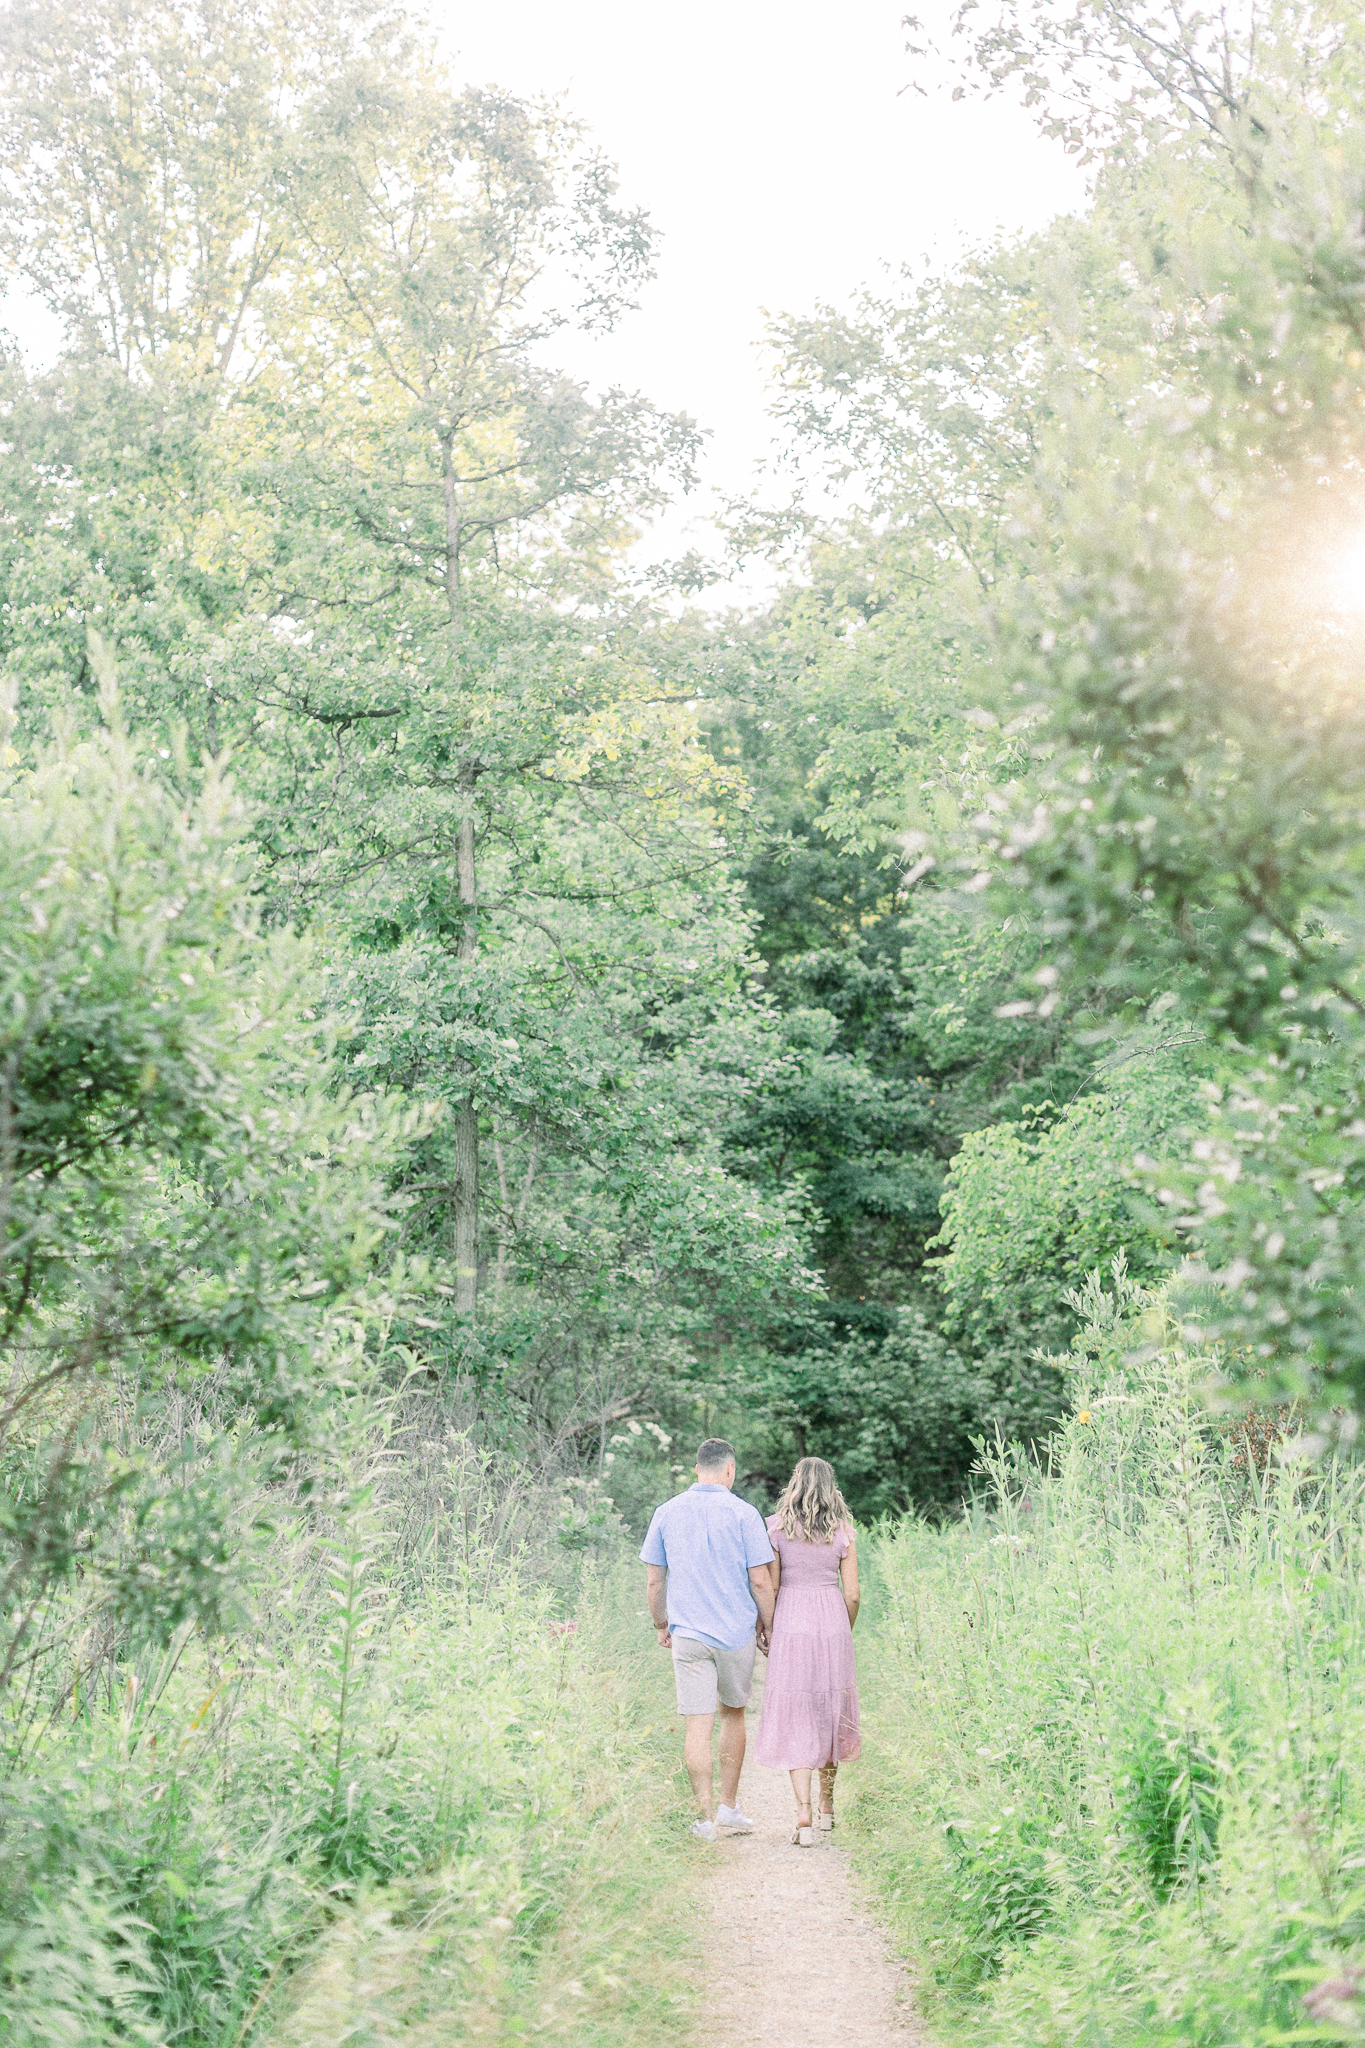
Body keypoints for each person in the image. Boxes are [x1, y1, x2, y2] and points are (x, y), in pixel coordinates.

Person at [640, 1437, 776, 1842]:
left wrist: (661, 1624)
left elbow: (653, 1579)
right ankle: (728, 1808)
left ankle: (702, 1820)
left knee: (696, 1727)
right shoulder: (744, 1513)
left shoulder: (666, 1511)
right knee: (733, 1714)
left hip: (688, 1635)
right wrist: (768, 1625)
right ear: (730, 1470)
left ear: (696, 1469)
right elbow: (760, 1579)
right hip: (735, 1633)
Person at [753, 1455, 861, 1847]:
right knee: (829, 1711)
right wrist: (841, 1631)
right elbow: (852, 1594)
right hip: (831, 1619)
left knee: (798, 1712)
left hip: (792, 1621)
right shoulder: (843, 1533)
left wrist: (767, 1626)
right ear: (831, 1487)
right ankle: (827, 1810)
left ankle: (802, 1816)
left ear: (794, 1485)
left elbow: (774, 1586)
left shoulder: (776, 1530)